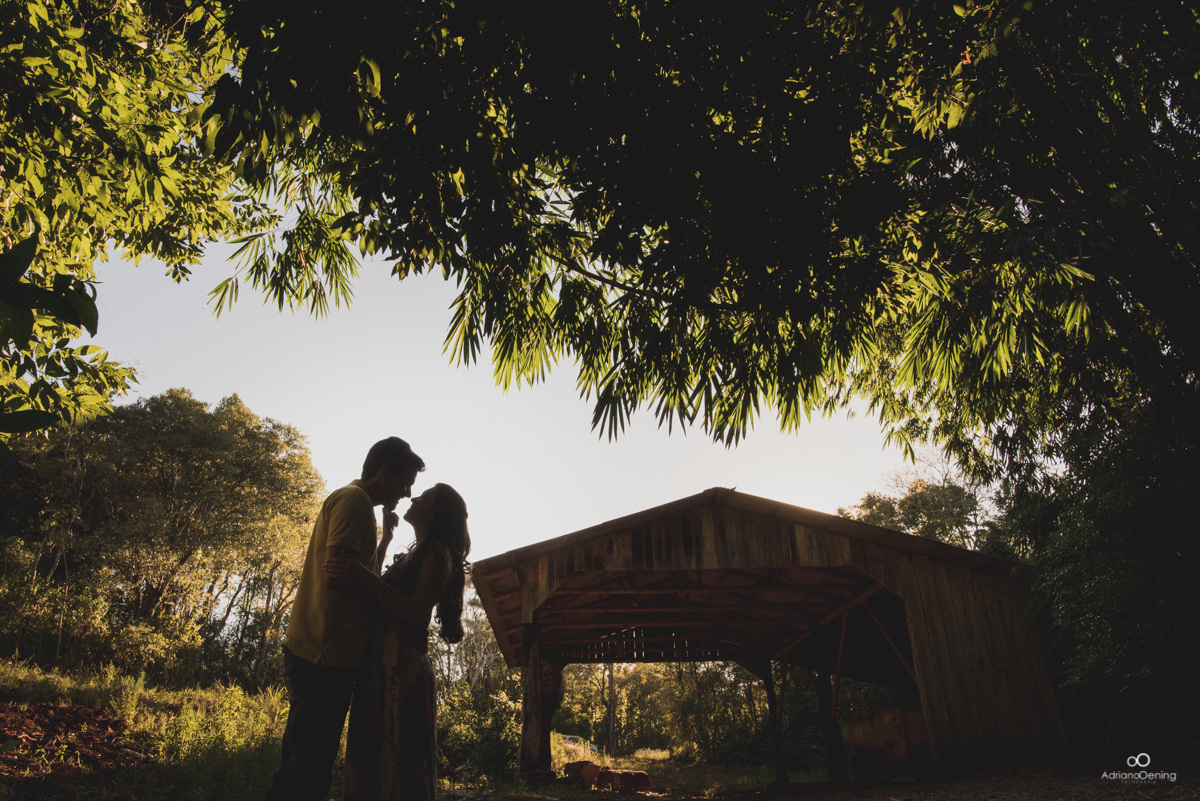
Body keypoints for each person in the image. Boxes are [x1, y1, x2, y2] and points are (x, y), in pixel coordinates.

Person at [266, 437, 426, 801]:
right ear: (384, 472)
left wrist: (385, 540)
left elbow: (360, 571)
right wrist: (387, 609)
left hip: (327, 653)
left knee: (304, 758)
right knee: (308, 765)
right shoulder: (354, 502)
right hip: (324, 653)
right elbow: (337, 578)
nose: (406, 492)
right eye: (405, 482)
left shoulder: (362, 506)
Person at [323, 483, 471, 801]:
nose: (415, 497)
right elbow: (380, 585)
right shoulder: (416, 553)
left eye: (426, 496)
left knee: (397, 760)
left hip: (402, 669)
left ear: (438, 512)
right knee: (375, 759)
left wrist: (362, 576)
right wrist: (386, 540)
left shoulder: (438, 553)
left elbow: (416, 614)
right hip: (381, 665)